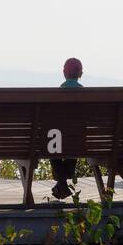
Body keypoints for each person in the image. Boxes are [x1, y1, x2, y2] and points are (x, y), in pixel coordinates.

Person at [51, 57, 84, 199]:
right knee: (75, 139)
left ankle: (62, 182)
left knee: (52, 143)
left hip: (58, 140)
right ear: (80, 74)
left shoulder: (57, 94)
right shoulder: (88, 95)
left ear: (64, 73)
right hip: (77, 142)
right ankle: (64, 179)